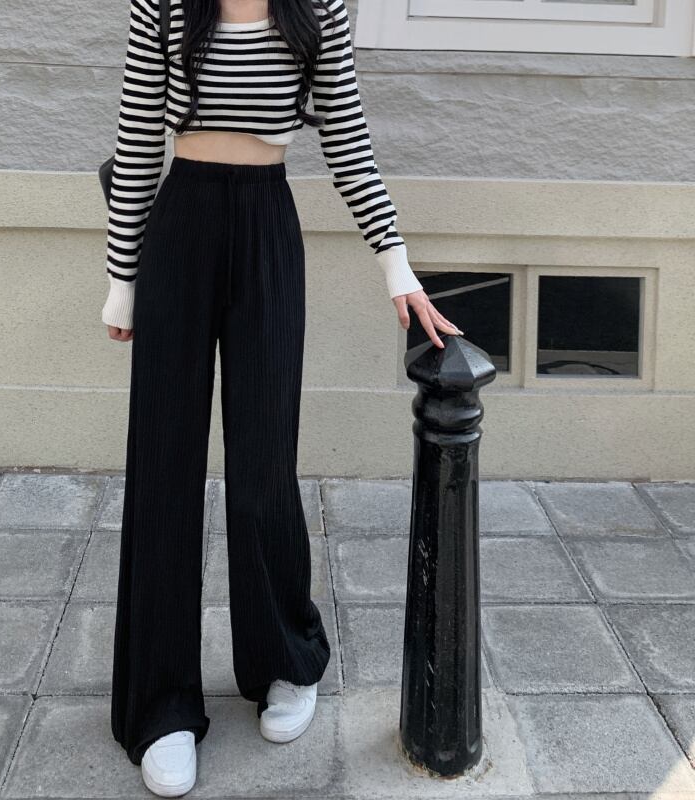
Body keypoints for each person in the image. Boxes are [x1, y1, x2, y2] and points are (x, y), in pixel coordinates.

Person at [101, 0, 462, 795]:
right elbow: (136, 136)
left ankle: (285, 661)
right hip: (180, 230)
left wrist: (396, 264)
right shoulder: (162, 5)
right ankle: (161, 705)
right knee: (163, 469)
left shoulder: (317, 10)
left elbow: (348, 140)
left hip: (267, 227)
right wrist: (122, 276)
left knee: (263, 466)